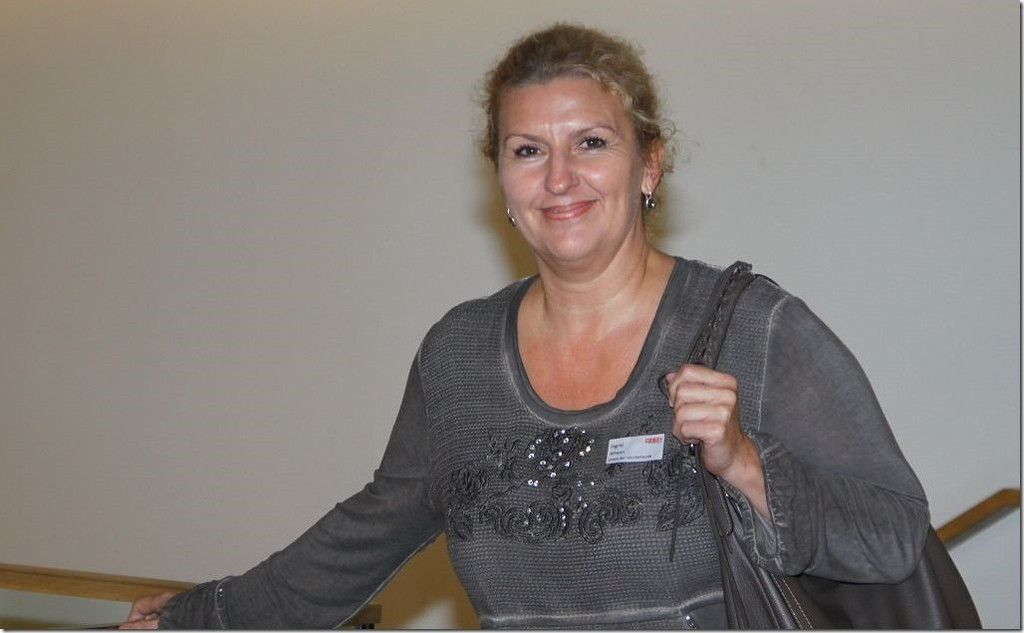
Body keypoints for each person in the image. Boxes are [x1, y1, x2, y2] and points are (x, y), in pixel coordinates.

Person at [122, 23, 929, 629]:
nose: (560, 178)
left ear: (648, 164)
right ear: (502, 180)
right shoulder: (458, 358)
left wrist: (747, 464)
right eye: (527, 150)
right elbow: (361, 538)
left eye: (590, 143)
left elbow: (895, 531)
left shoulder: (755, 327)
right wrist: (200, 617)